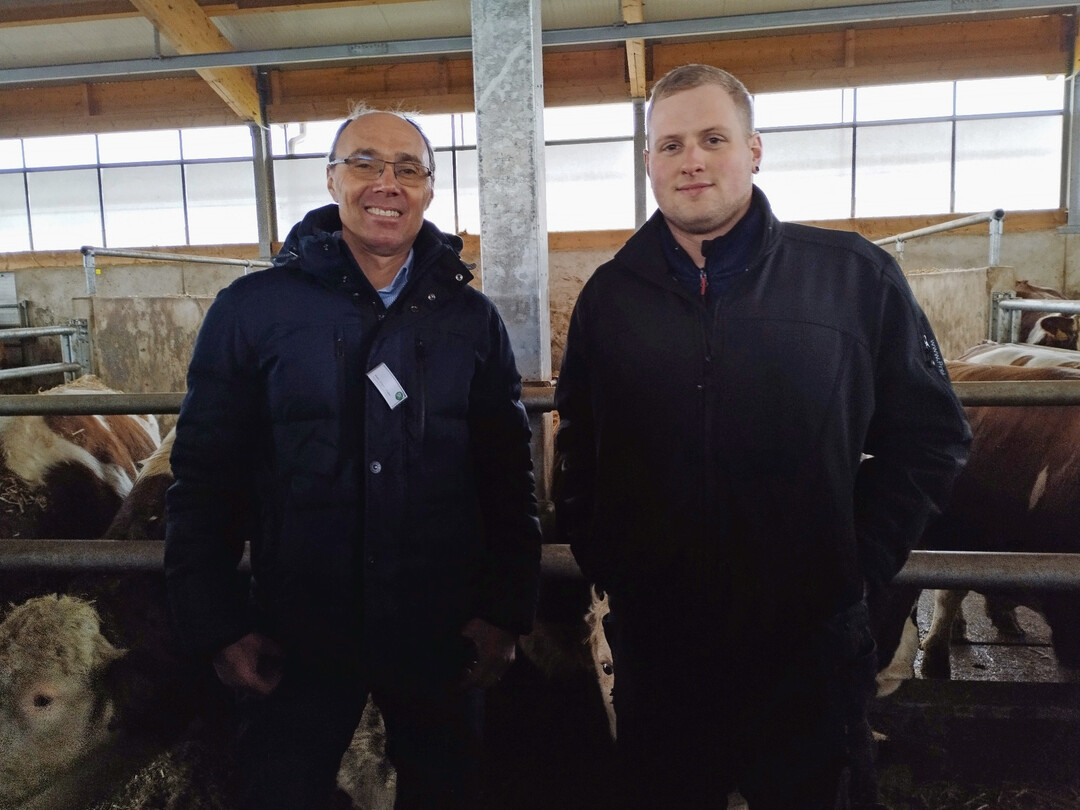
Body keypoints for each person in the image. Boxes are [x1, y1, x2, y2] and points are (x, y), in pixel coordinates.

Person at [553, 64, 971, 809]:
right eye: (670, 144)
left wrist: (858, 564)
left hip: (808, 643)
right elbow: (580, 445)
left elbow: (930, 437)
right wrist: (614, 562)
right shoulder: (612, 298)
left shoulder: (851, 279)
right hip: (663, 643)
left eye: (713, 138)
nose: (692, 160)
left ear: (753, 150)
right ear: (649, 161)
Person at [164, 105, 543, 810]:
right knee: (282, 789)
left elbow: (506, 477)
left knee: (447, 788)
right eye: (365, 162)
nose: (385, 183)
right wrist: (217, 622)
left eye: (407, 169)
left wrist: (503, 611)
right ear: (332, 177)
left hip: (440, 627)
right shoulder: (253, 310)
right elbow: (205, 476)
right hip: (296, 628)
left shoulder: (471, 321)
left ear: (430, 188)